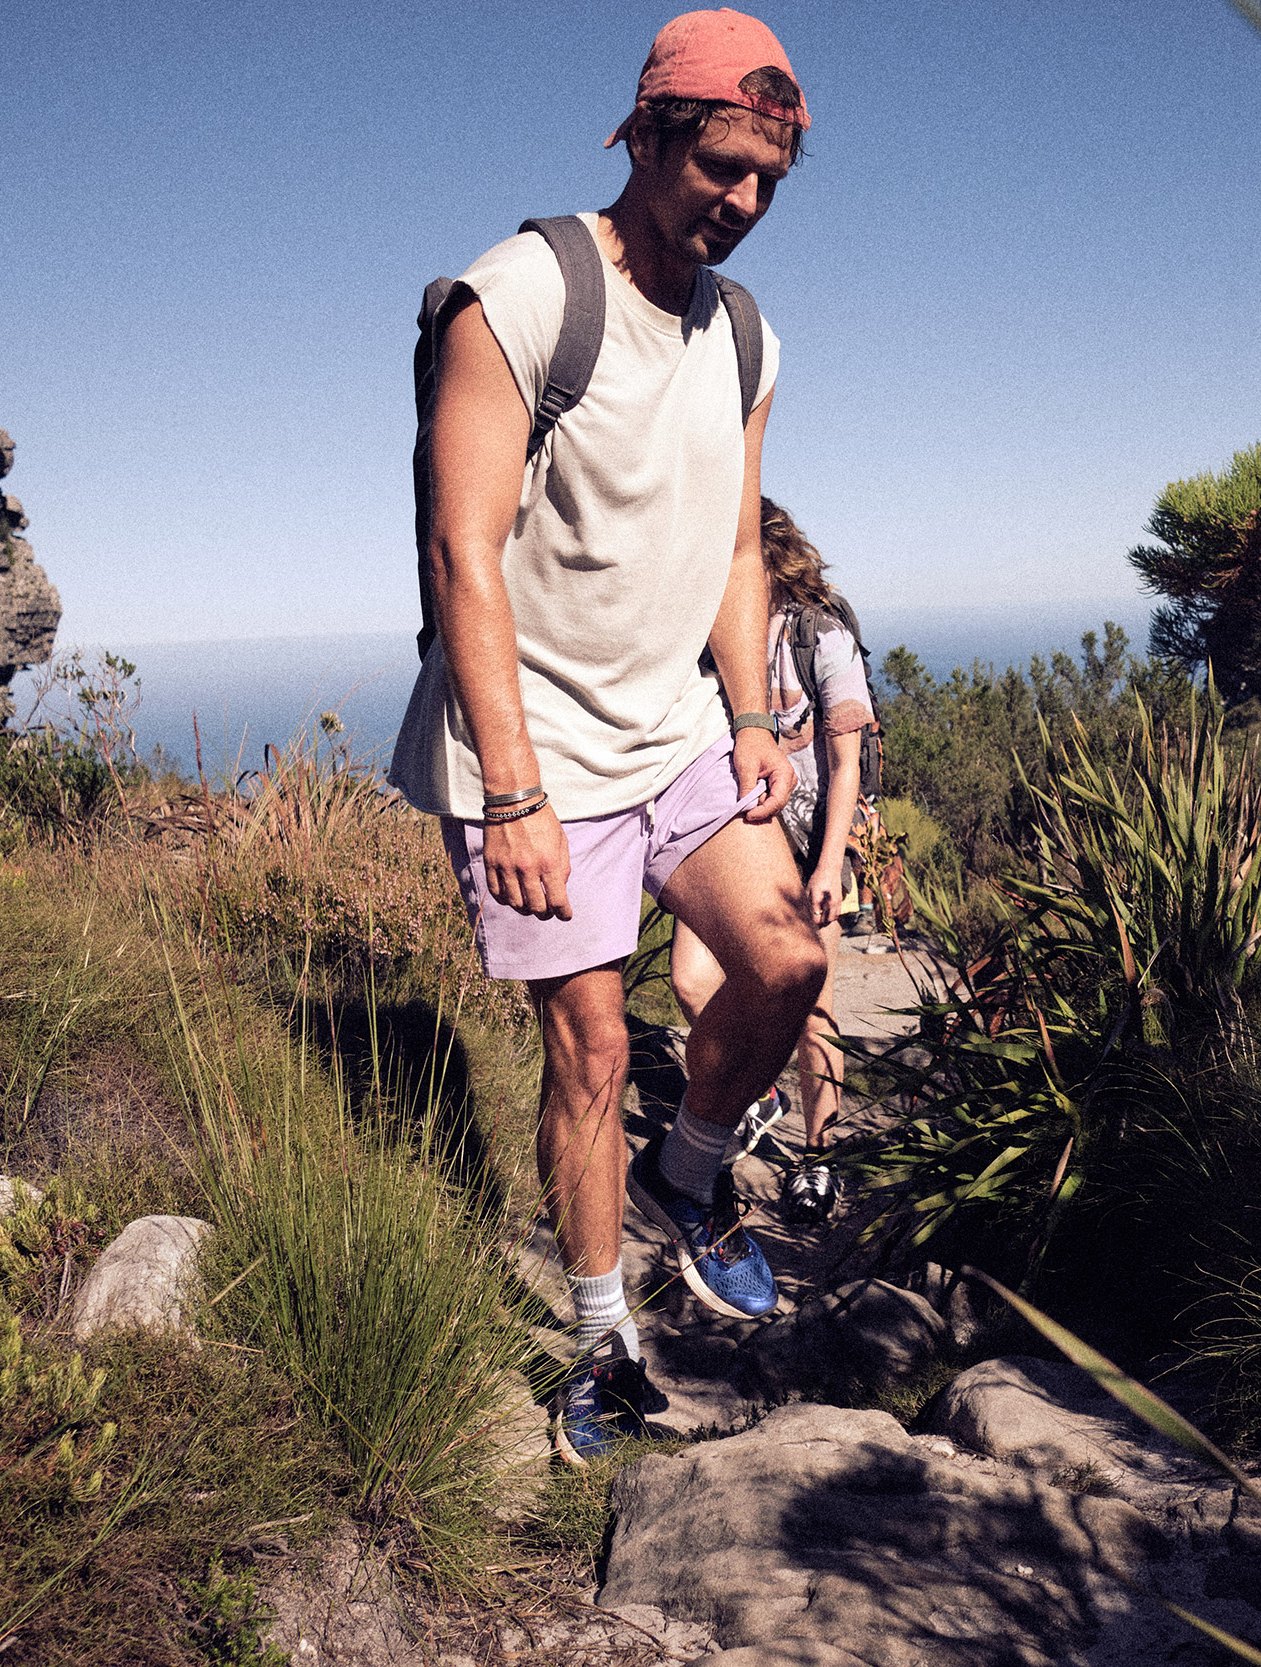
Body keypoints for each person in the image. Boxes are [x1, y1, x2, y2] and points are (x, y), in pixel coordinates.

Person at [387, 9, 825, 1465]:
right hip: (540, 758)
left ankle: (690, 1174)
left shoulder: (747, 333)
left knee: (788, 960)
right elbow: (464, 554)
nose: (743, 204)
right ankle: (601, 1337)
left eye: (770, 178)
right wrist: (509, 791)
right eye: (720, 166)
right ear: (644, 134)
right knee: (586, 1045)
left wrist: (756, 714)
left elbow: (737, 546)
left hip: (680, 728)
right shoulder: (516, 299)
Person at [670, 498, 872, 1224]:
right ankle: (760, 1094)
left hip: (814, 841)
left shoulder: (820, 630)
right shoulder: (709, 642)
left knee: (813, 1005)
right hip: (738, 835)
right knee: (690, 979)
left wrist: (828, 864)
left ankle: (819, 1158)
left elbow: (845, 764)